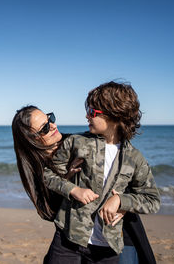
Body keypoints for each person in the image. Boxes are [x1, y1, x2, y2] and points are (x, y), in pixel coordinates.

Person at [12, 84, 157, 263]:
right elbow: (49, 201)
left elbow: (147, 196)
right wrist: (69, 183)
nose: (53, 126)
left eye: (50, 119)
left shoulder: (81, 143)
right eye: (44, 128)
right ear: (31, 140)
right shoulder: (56, 155)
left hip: (115, 231)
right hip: (73, 233)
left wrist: (122, 202)